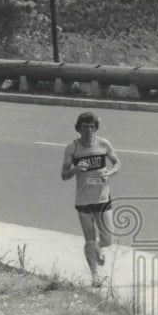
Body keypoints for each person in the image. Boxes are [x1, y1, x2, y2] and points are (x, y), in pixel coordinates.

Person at [60, 112, 121, 287]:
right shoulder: (72, 148)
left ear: (96, 128)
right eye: (85, 127)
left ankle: (100, 248)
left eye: (92, 127)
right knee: (89, 239)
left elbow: (117, 163)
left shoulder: (103, 143)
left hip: (102, 198)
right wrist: (75, 169)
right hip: (83, 200)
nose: (88, 130)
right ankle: (94, 276)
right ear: (79, 128)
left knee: (108, 239)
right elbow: (64, 175)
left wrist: (109, 173)